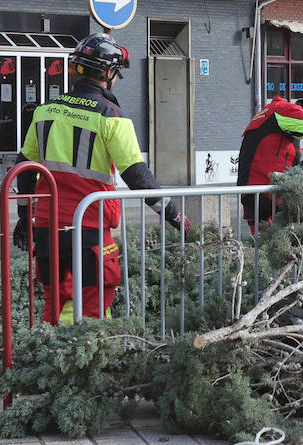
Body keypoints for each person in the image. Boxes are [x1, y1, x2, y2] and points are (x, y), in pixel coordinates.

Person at [12, 33, 186, 325]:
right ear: (108, 73)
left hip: (46, 226)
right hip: (89, 225)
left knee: (55, 300)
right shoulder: (111, 117)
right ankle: (80, 360)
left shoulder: (44, 113)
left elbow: (25, 169)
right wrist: (173, 213)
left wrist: (24, 217)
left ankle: (45, 357)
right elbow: (136, 174)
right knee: (93, 303)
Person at [236, 96, 303, 228]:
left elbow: (274, 154)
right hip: (268, 187)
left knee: (261, 243)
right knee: (295, 232)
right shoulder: (287, 110)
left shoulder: (266, 115)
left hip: (249, 190)